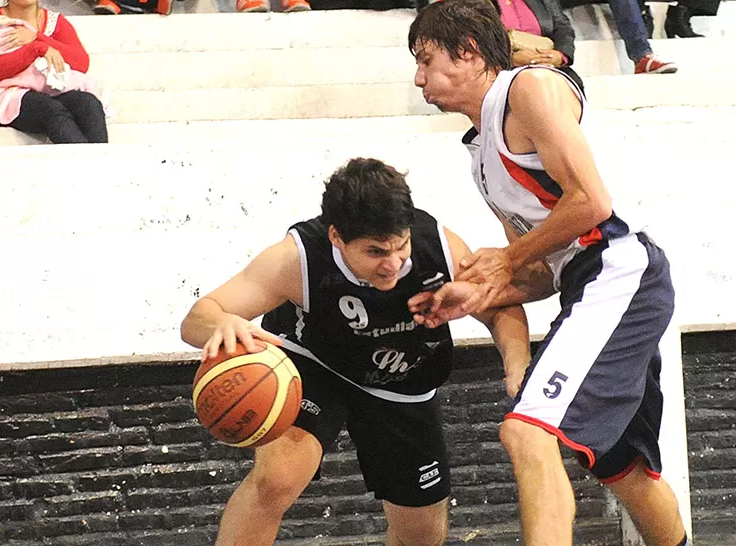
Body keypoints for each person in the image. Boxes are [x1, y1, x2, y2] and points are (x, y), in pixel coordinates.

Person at [407, 1, 688, 545]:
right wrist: (483, 289)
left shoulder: (527, 89)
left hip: (618, 269)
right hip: (589, 280)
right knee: (619, 466)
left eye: (425, 60)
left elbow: (591, 204)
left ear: (467, 52)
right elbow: (545, 269)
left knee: (525, 430)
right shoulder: (480, 150)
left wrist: (506, 260)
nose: (418, 78)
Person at [180, 157, 531, 546]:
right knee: (278, 479)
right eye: (376, 252)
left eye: (401, 246)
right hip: (315, 365)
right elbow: (197, 319)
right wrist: (223, 323)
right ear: (336, 237)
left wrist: (518, 368)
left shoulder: (440, 248)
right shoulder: (296, 260)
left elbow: (499, 309)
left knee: (422, 535)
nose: (393, 263)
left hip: (403, 379)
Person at [0, 0, 108, 143]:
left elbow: (81, 63)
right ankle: (91, 166)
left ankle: (101, 164)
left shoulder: (55, 21)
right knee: (50, 110)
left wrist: (36, 37)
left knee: (88, 103)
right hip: (1, 95)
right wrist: (36, 49)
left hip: (47, 90)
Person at [489, 0, 586, 94]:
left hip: (547, 64)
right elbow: (479, 38)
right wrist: (509, 59)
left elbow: (562, 26)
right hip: (499, 70)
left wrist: (560, 55)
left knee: (571, 87)